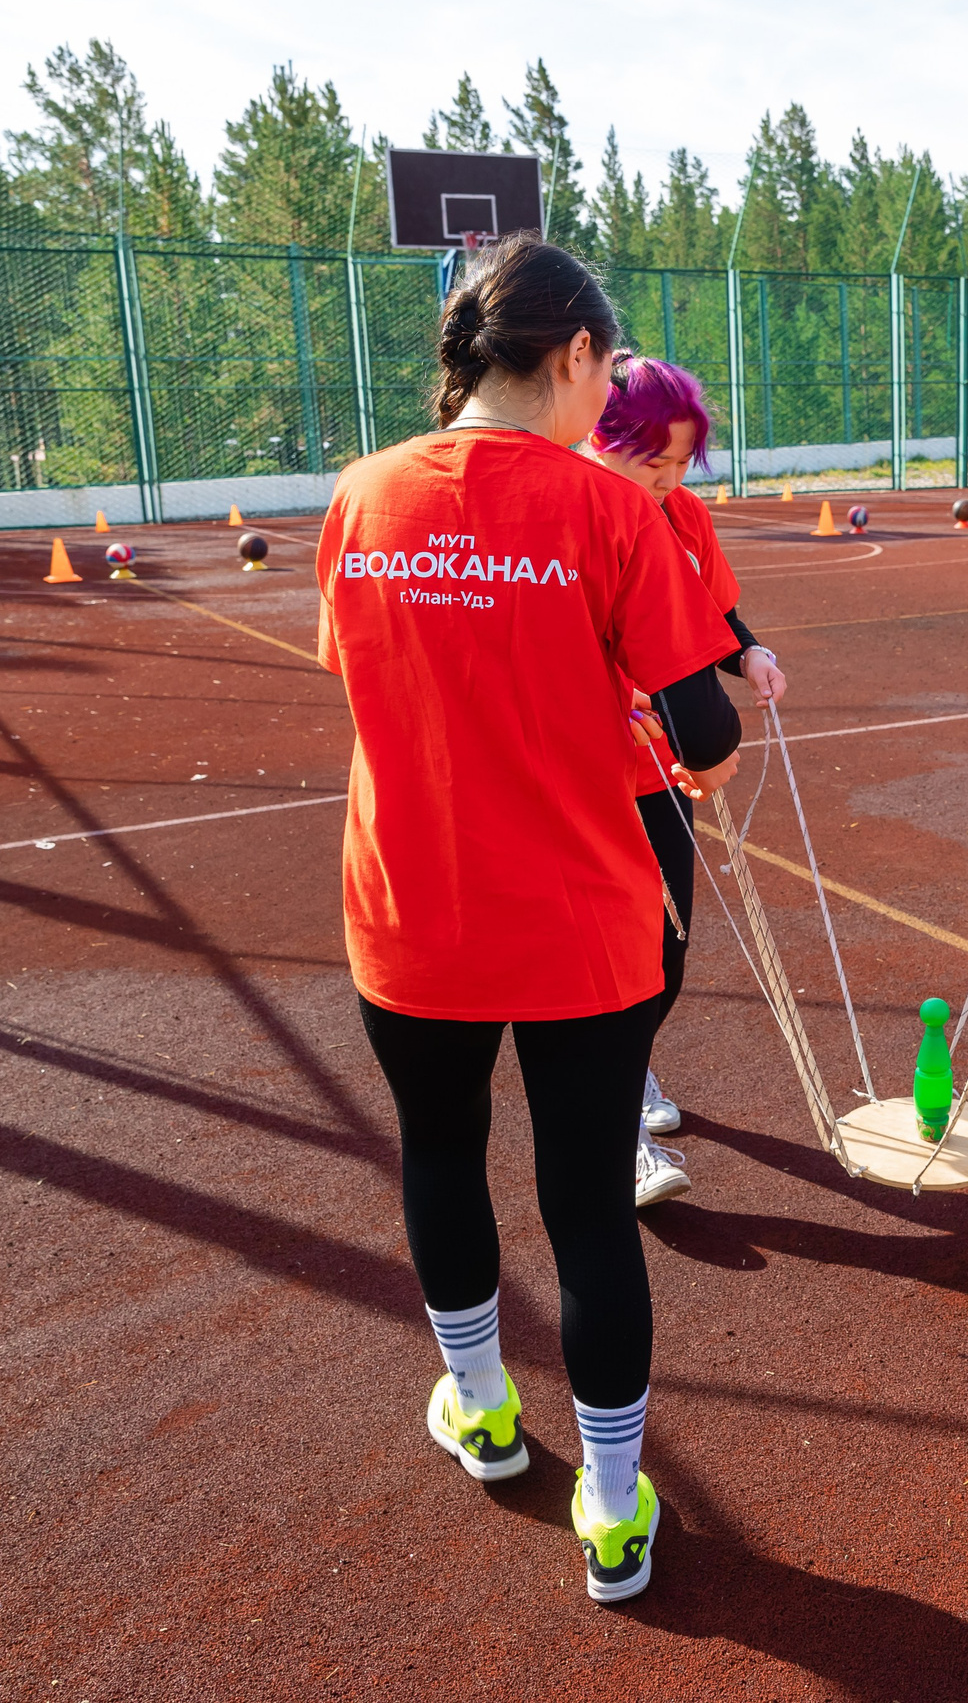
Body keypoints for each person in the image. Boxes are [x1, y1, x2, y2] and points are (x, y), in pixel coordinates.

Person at [314, 235, 740, 1605]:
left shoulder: (362, 494)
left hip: (412, 908)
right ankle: (611, 1504)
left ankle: (485, 1408)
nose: (606, 393)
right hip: (579, 919)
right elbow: (705, 728)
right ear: (574, 355)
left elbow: (365, 673)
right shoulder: (610, 509)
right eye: (605, 371)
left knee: (440, 1154)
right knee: (588, 1209)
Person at [590, 356, 791, 1205]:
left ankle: (628, 1070)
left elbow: (714, 614)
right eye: (652, 462)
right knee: (602, 960)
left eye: (681, 463)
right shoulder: (571, 516)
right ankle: (618, 1135)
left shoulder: (682, 515)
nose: (669, 479)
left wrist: (749, 653)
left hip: (662, 775)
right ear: (597, 437)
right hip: (582, 779)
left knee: (664, 957)